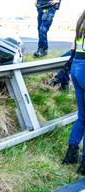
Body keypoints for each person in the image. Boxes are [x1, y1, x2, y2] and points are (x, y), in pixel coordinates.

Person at [62, 10, 85, 176]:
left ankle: (71, 156)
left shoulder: (81, 22)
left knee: (82, 117)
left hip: (76, 66)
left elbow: (72, 49)